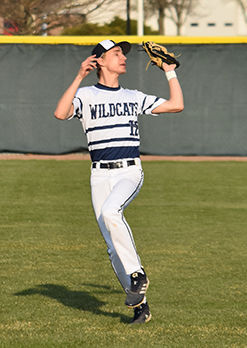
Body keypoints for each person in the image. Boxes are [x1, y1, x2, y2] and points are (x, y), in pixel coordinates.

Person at [54, 39, 184, 324]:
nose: (123, 57)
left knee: (112, 213)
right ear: (98, 61)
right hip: (99, 174)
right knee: (113, 247)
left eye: (123, 53)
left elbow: (176, 105)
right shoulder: (86, 94)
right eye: (115, 53)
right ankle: (141, 307)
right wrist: (78, 76)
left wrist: (170, 71)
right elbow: (61, 113)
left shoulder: (133, 96)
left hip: (128, 171)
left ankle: (138, 275)